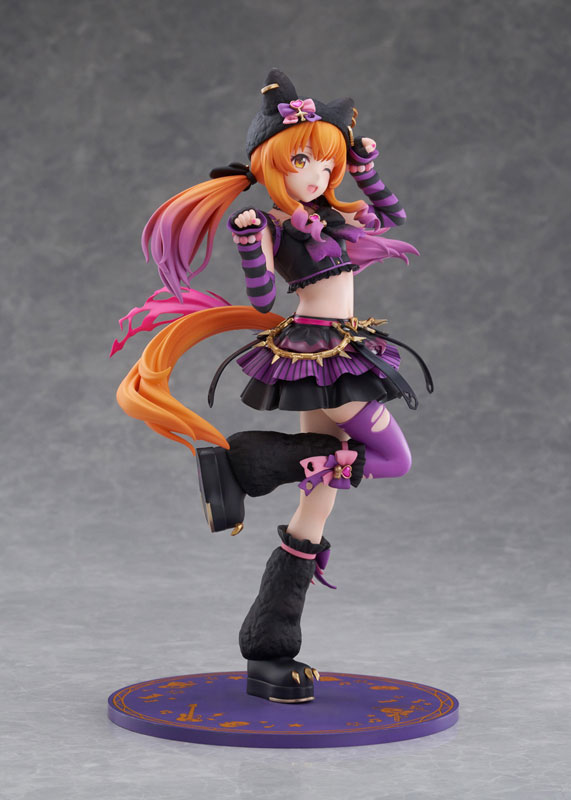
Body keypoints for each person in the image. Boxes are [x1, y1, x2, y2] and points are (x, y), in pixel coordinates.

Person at [112, 69, 433, 704]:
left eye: (328, 162)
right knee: (390, 459)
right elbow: (262, 297)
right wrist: (249, 243)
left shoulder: (332, 215)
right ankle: (244, 462)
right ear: (271, 164)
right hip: (323, 353)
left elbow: (394, 214)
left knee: (320, 498)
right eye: (303, 161)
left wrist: (366, 169)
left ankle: (270, 642)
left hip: (339, 346)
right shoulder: (272, 223)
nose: (318, 175)